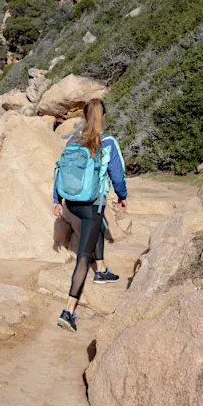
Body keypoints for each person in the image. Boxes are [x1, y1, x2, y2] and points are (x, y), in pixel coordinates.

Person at [52, 99, 128, 333]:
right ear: (103, 116)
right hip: (92, 203)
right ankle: (69, 310)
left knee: (98, 224)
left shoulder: (74, 140)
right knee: (83, 257)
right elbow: (117, 175)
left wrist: (56, 200)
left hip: (72, 202)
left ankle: (102, 270)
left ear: (85, 116)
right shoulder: (107, 142)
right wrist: (123, 196)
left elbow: (60, 169)